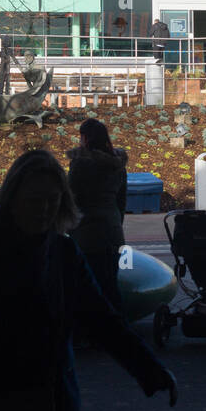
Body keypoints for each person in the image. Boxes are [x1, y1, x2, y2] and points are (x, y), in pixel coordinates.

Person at [0, 149, 175, 411]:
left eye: (53, 200)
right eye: (36, 201)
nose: (45, 209)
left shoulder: (60, 253)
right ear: (12, 201)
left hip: (41, 404)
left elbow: (102, 320)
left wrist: (149, 370)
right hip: (13, 407)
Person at [66, 119, 128, 312]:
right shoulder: (118, 165)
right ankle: (118, 333)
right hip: (113, 232)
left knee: (87, 288)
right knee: (110, 286)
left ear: (84, 138)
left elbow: (71, 198)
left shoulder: (80, 164)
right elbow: (121, 202)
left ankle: (91, 336)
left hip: (87, 234)